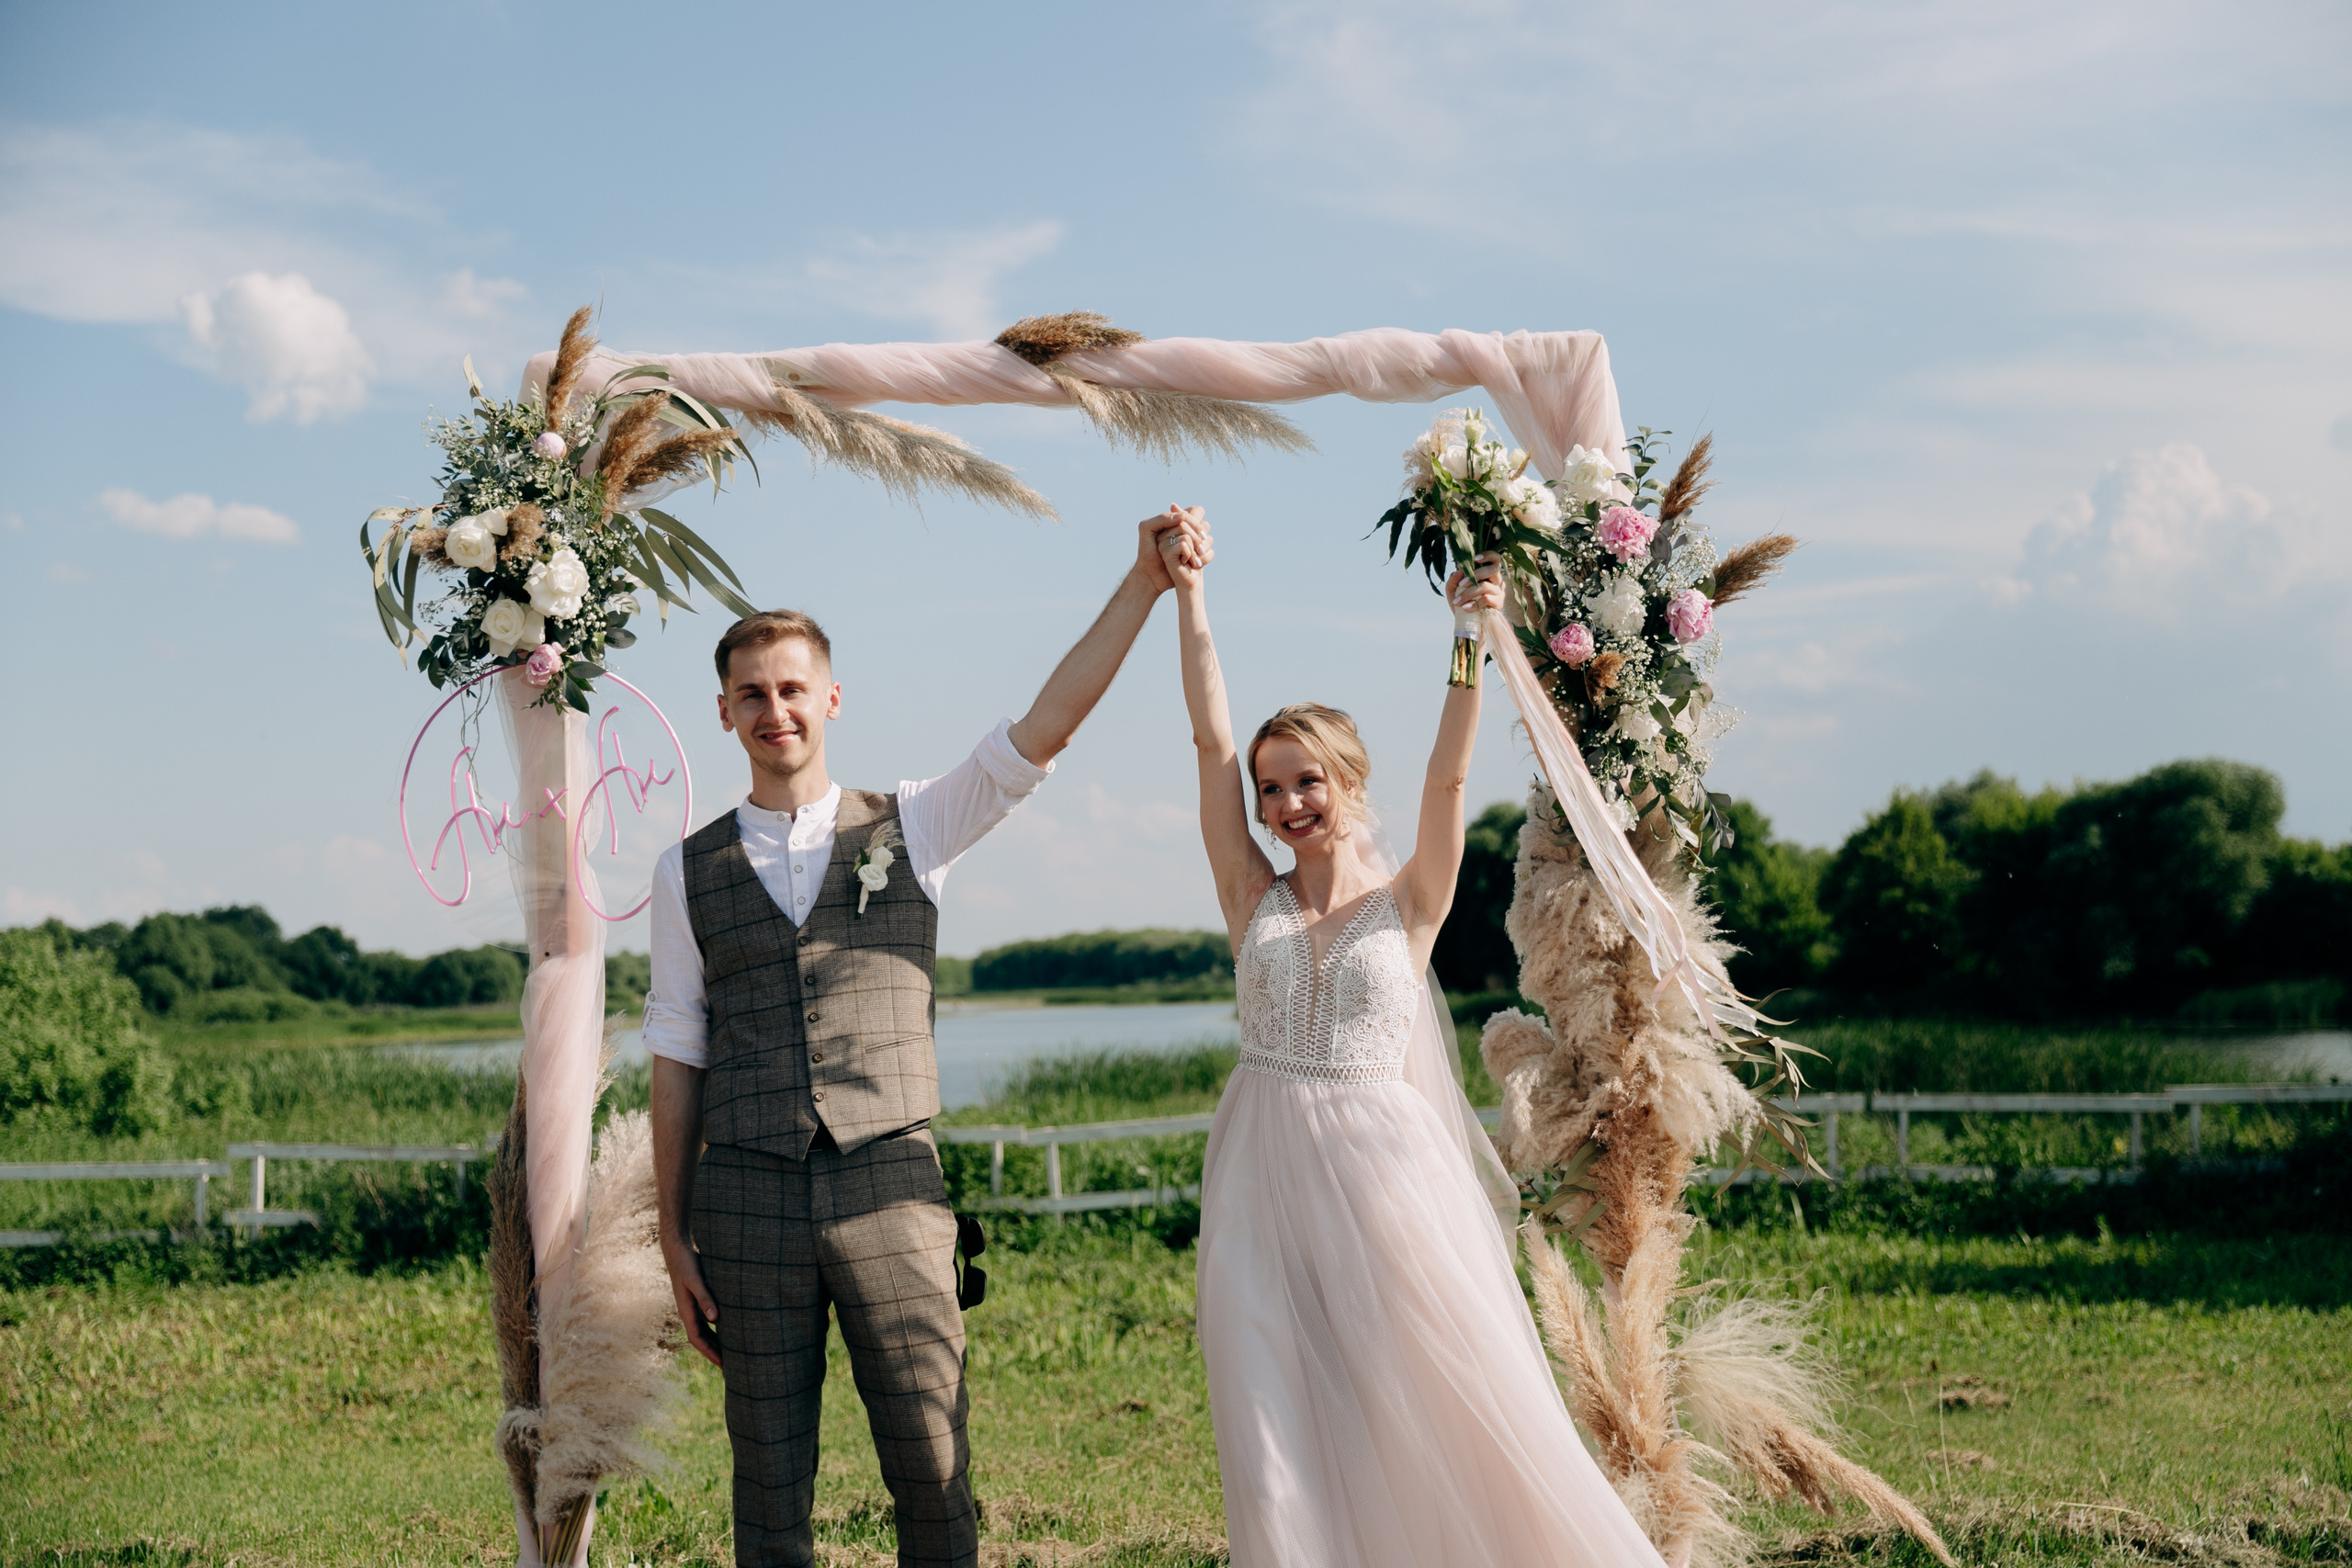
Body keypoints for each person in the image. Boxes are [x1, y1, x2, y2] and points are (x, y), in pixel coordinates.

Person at [646, 509, 1212, 1568]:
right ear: (723, 713)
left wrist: (1140, 583)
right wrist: (672, 1235)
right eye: (753, 693)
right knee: (767, 1483)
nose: (777, 709)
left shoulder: (918, 823)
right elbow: (677, 1050)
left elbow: (1045, 726)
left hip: (893, 1187)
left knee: (932, 1461)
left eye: (793, 687)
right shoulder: (684, 872)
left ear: (831, 698)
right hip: (746, 1200)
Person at [1161, 514, 1669, 1568]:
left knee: (1422, 1391)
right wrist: (1189, 597)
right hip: (1256, 1164)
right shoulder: (1246, 893)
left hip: (1381, 1173)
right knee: (1266, 1403)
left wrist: (1468, 642)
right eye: (1271, 787)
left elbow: (1445, 782)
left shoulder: (1409, 905)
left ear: (1348, 785)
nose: (1287, 802)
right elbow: (1209, 740)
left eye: (1308, 780)